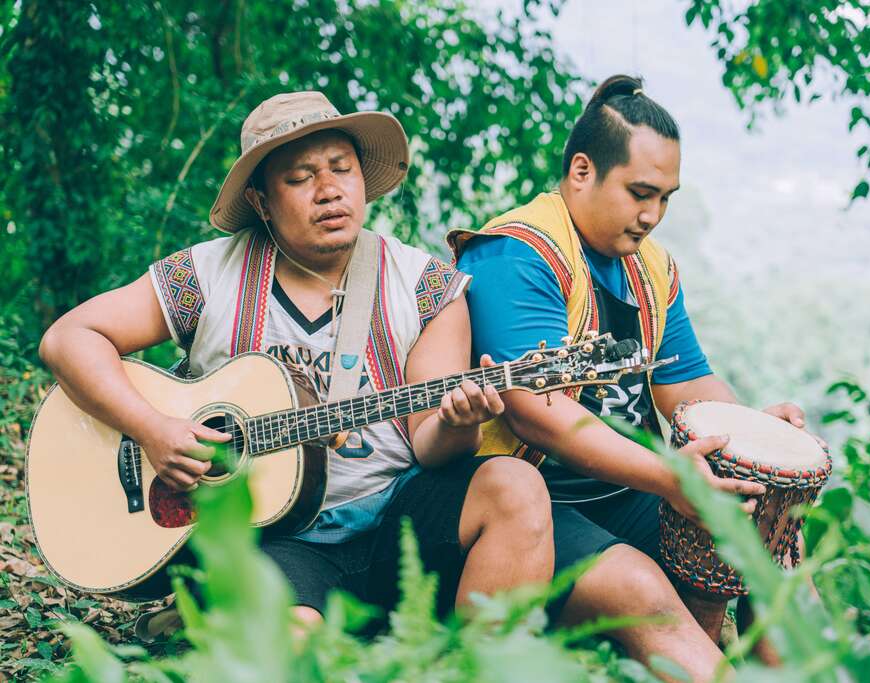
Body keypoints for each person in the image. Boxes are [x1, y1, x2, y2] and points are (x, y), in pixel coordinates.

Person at [39, 90, 554, 628]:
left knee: (516, 488)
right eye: (300, 178)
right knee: (294, 648)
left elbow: (431, 445)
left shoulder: (429, 288)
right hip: (274, 541)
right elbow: (69, 338)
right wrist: (150, 429)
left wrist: (459, 422)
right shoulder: (209, 274)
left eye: (342, 169)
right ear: (262, 200)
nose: (329, 191)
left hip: (398, 521)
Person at [451, 75, 806, 681]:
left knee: (771, 550)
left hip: (633, 494)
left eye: (666, 198)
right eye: (641, 193)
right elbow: (541, 415)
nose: (653, 216)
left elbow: (687, 383)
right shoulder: (515, 253)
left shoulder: (651, 268)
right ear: (582, 171)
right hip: (537, 503)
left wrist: (750, 433)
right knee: (642, 593)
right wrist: (672, 479)